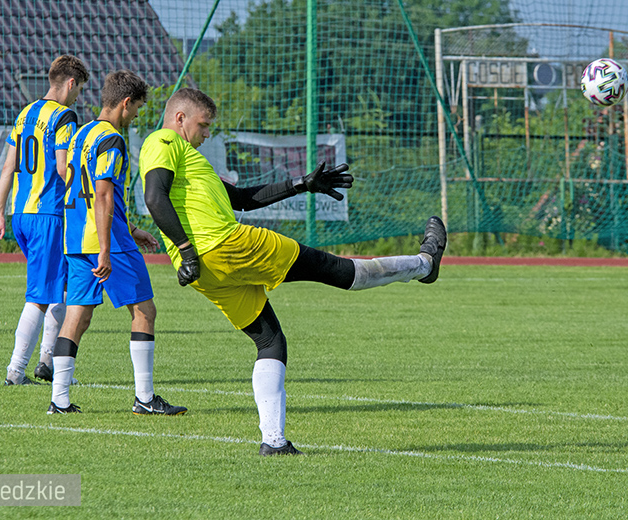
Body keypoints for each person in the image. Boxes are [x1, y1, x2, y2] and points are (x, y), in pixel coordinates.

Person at [139, 88, 446, 456]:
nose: (207, 134)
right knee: (339, 270)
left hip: (207, 272)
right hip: (223, 246)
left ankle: (275, 441)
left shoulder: (191, 162)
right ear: (179, 119)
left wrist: (301, 184)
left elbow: (245, 199)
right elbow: (154, 197)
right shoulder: (163, 140)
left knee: (270, 341)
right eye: (203, 125)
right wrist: (187, 249)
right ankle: (424, 263)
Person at [47, 69, 187, 416]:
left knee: (77, 317)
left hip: (77, 239)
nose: (137, 116)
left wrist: (131, 228)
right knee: (144, 311)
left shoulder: (82, 134)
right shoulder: (111, 139)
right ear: (125, 103)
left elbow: (82, 186)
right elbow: (104, 195)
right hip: (106, 242)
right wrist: (110, 246)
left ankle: (59, 400)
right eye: (137, 108)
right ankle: (145, 398)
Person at [0, 55, 89, 386]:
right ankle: (15, 370)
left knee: (57, 286)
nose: (78, 97)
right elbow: (63, 168)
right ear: (71, 83)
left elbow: (8, 166)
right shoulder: (64, 116)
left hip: (22, 213)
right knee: (41, 295)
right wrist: (88, 184)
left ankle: (48, 362)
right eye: (79, 90)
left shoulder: (25, 114)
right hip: (49, 214)